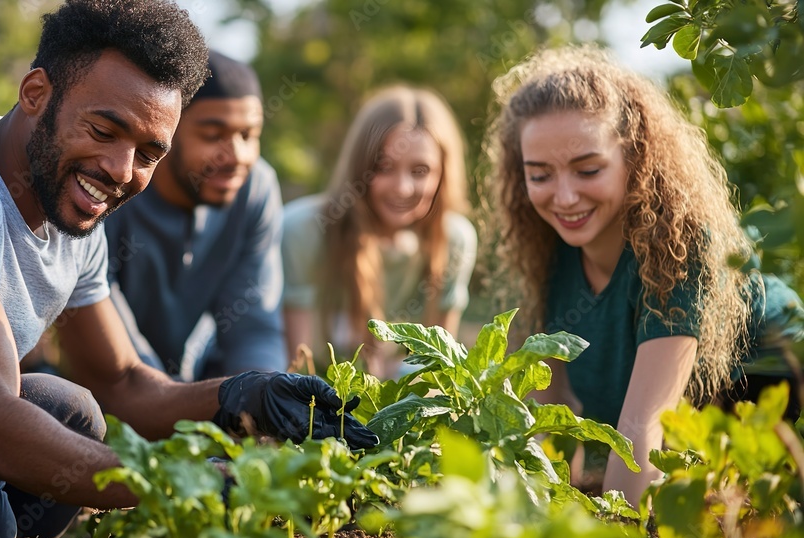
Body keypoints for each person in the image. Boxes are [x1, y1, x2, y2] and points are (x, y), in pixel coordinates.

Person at [0, 1, 375, 538]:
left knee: (71, 408)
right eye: (104, 130)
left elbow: (123, 381)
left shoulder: (71, 211)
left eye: (149, 153)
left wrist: (241, 395)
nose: (121, 171)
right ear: (35, 95)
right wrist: (187, 479)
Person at [486, 45, 804, 507]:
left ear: (635, 157)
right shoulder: (547, 252)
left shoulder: (681, 244)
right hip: (697, 437)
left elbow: (643, 425)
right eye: (540, 175)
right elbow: (548, 416)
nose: (565, 196)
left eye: (588, 169)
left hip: (778, 389)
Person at [104, 50, 286, 382]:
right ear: (166, 129)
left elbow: (254, 326)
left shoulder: (255, 189)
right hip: (109, 383)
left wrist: (263, 401)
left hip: (194, 377)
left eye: (248, 135)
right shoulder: (114, 184)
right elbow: (109, 336)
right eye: (213, 135)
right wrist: (170, 402)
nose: (237, 156)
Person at [282, 85, 478, 379]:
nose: (402, 188)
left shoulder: (456, 240)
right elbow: (298, 369)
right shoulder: (304, 230)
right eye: (384, 167)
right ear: (359, 167)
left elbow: (438, 373)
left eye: (420, 171)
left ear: (443, 175)